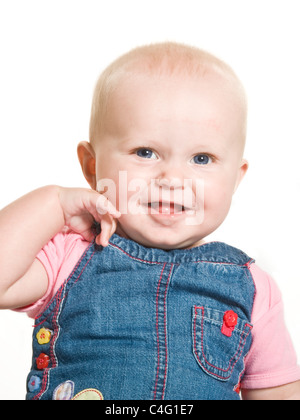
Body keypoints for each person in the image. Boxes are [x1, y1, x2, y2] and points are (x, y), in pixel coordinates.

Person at [0, 42, 299, 400]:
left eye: (202, 158)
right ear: (93, 167)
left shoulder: (251, 288)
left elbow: (278, 393)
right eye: (145, 152)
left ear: (236, 178)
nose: (172, 177)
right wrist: (53, 204)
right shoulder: (69, 256)